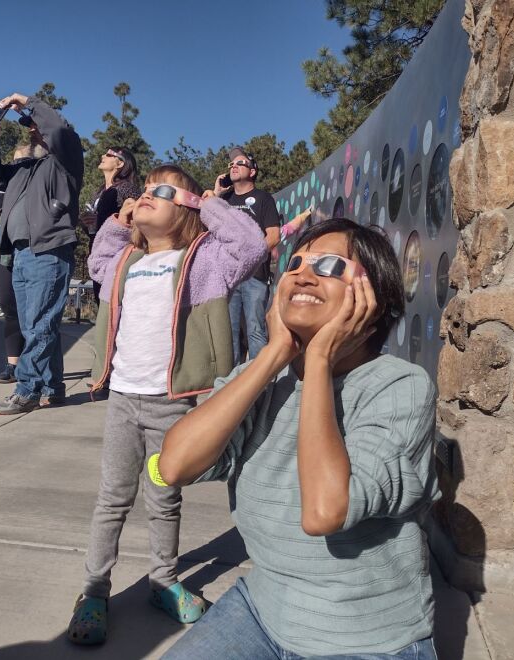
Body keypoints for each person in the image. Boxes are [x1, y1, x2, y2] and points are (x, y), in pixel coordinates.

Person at [157, 218, 439, 659]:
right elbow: (173, 465)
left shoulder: (399, 386)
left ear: (373, 298)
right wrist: (271, 356)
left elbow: (326, 511)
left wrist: (321, 358)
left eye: (329, 265)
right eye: (296, 263)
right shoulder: (263, 380)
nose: (303, 274)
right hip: (263, 609)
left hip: (363, 639)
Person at [67, 165, 266, 646]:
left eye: (165, 191)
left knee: (164, 499)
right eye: (147, 191)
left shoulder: (204, 263)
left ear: (186, 208)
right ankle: (94, 590)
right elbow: (97, 262)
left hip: (172, 406)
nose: (150, 196)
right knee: (112, 498)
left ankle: (162, 579)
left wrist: (205, 202)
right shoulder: (127, 263)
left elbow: (252, 244)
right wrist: (117, 221)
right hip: (123, 401)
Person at [0, 93, 84, 414]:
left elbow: (61, 132)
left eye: (35, 128)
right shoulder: (23, 170)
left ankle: (27, 390)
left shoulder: (64, 162)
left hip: (49, 250)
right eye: (28, 129)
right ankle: (52, 386)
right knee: (35, 326)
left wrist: (28, 103)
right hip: (21, 253)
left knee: (38, 325)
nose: (30, 132)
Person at [209, 147, 280, 364]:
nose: (233, 166)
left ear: (252, 171)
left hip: (254, 276)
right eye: (231, 164)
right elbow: (206, 225)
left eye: (240, 163)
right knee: (229, 333)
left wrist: (249, 256)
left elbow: (274, 236)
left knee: (255, 330)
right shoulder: (224, 198)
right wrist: (217, 194)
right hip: (228, 277)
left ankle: (259, 386)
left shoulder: (263, 198)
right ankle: (233, 383)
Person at [0, 142, 36, 384]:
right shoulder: (8, 181)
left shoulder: (42, 180)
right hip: (4, 252)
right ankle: (12, 366)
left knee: (34, 315)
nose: (18, 166)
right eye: (15, 161)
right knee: (10, 310)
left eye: (24, 162)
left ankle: (36, 367)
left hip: (33, 249)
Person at [79, 146, 142, 301]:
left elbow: (138, 220)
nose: (103, 156)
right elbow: (98, 228)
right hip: (98, 253)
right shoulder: (99, 193)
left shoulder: (128, 189)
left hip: (118, 256)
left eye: (108, 154)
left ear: (120, 163)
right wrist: (86, 224)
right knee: (101, 304)